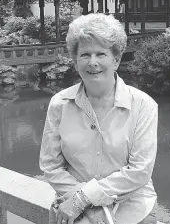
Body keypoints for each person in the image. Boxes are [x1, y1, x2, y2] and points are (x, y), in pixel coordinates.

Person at [40, 13, 158, 224]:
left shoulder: (143, 105)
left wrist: (84, 198)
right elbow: (51, 167)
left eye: (101, 54)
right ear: (76, 61)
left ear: (117, 59)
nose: (92, 62)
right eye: (85, 54)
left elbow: (140, 171)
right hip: (73, 207)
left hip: (131, 207)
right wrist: (84, 203)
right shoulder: (59, 104)